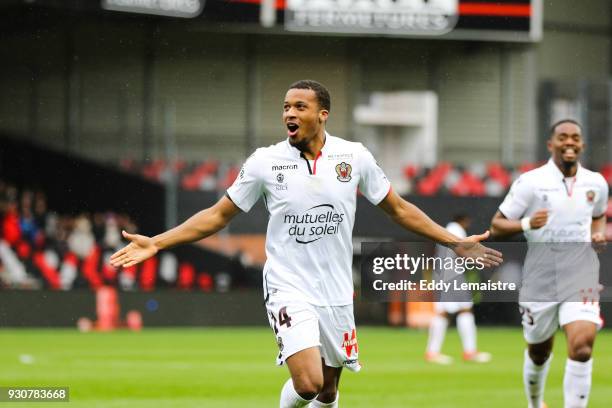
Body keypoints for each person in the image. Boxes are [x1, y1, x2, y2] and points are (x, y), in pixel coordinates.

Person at [111, 79, 502, 408]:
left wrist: (454, 242)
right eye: (285, 107)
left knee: (329, 391)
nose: (289, 114)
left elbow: (398, 209)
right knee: (308, 383)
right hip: (288, 284)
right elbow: (217, 215)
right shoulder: (266, 162)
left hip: (334, 289)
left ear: (322, 115)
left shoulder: (354, 157)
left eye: (300, 106)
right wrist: (158, 243)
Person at [490, 119, 607, 408]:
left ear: (582, 144)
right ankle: (535, 403)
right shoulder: (531, 182)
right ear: (551, 144)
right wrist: (528, 222)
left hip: (581, 273)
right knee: (539, 352)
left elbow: (598, 215)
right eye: (563, 137)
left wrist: (597, 234)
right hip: (540, 277)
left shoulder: (596, 182)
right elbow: (496, 224)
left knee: (581, 348)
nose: (570, 142)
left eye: (575, 138)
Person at [425, 214, 492, 365]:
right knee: (461, 310)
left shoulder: (445, 230)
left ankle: (434, 352)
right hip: (452, 275)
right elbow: (461, 251)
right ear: (464, 221)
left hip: (443, 274)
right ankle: (466, 351)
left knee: (448, 312)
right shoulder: (456, 230)